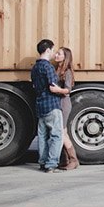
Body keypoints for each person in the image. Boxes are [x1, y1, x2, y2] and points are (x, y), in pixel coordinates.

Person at [31, 39, 67, 173]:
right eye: (52, 50)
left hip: (40, 105)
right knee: (56, 136)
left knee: (42, 136)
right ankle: (51, 164)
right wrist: (65, 91)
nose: (53, 53)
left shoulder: (35, 68)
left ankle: (42, 162)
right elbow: (53, 87)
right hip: (52, 104)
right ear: (47, 50)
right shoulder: (48, 67)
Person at [54, 47, 79, 170]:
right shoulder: (56, 69)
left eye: (59, 54)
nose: (56, 55)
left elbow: (68, 90)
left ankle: (73, 160)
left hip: (64, 103)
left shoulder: (67, 72)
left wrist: (57, 90)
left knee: (62, 132)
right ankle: (65, 160)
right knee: (61, 132)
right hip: (57, 103)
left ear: (65, 57)